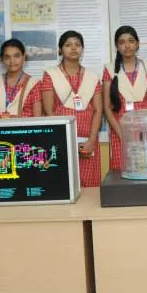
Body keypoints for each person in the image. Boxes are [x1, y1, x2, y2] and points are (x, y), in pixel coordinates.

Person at [41, 31, 103, 187]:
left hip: (88, 141)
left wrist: (91, 140)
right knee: (63, 184)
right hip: (61, 139)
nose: (74, 48)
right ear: (60, 49)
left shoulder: (92, 76)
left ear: (82, 49)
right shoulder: (50, 75)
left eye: (77, 45)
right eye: (68, 45)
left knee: (89, 186)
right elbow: (48, 111)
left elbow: (98, 110)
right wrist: (62, 140)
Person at [103, 26, 147, 171]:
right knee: (123, 171)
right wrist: (123, 134)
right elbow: (107, 108)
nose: (127, 46)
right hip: (120, 130)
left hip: (146, 128)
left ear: (137, 43)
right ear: (117, 46)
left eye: (131, 41)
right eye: (122, 42)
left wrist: (142, 127)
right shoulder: (109, 69)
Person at [0, 38, 42, 119]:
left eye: (16, 56)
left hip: (24, 127)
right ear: (2, 59)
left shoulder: (34, 84)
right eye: (7, 57)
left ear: (24, 57)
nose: (12, 61)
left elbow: (37, 120)